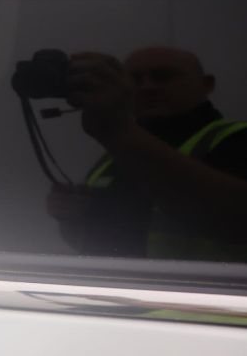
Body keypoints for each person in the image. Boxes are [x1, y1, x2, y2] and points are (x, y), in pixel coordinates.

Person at [48, 47, 247, 261]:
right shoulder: (114, 152)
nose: (147, 86)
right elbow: (100, 240)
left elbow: (238, 220)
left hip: (203, 284)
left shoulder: (237, 138)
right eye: (134, 80)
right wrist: (70, 218)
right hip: (110, 282)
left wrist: (118, 131)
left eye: (163, 76)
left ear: (207, 84)